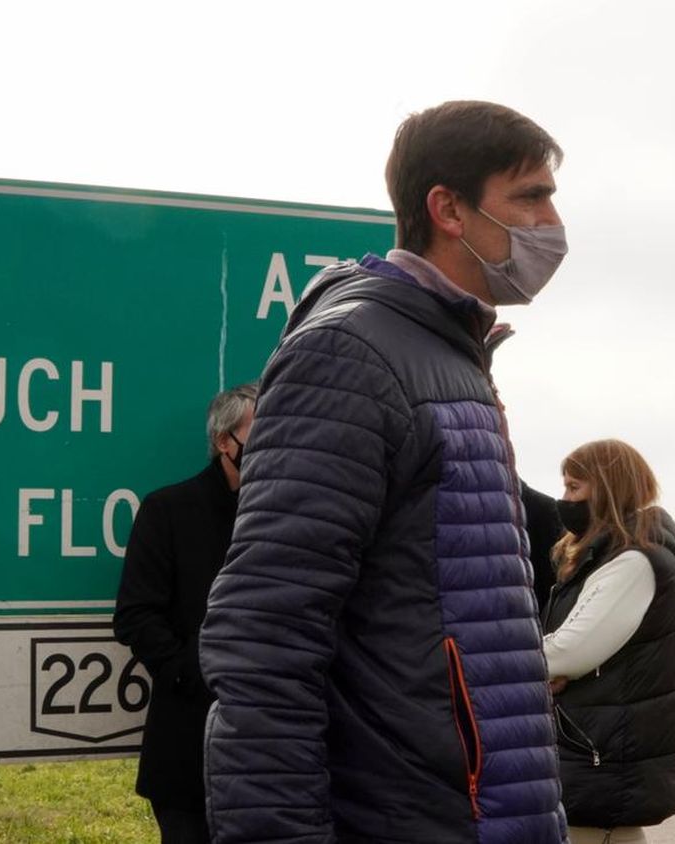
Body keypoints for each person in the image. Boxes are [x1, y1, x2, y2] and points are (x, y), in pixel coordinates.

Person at [198, 101, 569, 843]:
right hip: (411, 819)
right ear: (448, 208)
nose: (552, 222)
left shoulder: (448, 353)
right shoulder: (351, 355)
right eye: (529, 196)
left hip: (484, 818)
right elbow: (267, 634)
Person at [113, 382, 256, 844]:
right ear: (223, 441)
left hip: (268, 755)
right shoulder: (168, 510)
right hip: (185, 748)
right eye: (262, 431)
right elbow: (136, 614)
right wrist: (190, 674)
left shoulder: (287, 515)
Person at [542, 439, 675, 844]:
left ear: (607, 490)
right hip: (598, 757)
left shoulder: (633, 562)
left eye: (574, 488)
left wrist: (525, 665)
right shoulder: (610, 557)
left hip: (602, 762)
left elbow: (567, 651)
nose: (565, 499)